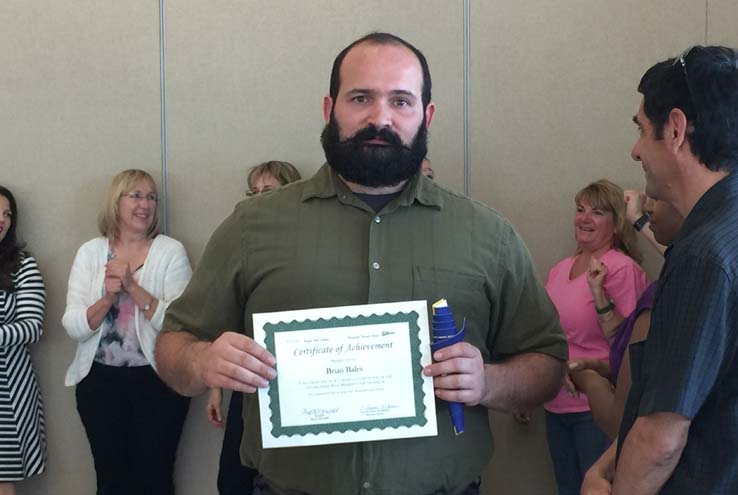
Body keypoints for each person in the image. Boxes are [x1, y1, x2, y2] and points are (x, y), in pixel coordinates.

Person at [156, 32, 568, 495]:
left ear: (426, 115)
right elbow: (173, 346)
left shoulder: (487, 234)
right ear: (330, 108)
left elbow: (548, 362)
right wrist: (202, 360)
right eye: (361, 98)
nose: (380, 118)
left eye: (400, 101)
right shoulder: (253, 225)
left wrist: (488, 382)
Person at [582, 45, 738, 495]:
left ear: (675, 129)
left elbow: (660, 439)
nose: (634, 151)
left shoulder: (704, 256)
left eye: (641, 129)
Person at [62, 169, 192, 495]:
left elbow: (180, 322)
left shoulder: (170, 252)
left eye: (151, 197)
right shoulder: (90, 253)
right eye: (135, 195)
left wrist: (132, 287)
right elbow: (74, 326)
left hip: (159, 382)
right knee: (110, 479)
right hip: (99, 384)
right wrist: (108, 297)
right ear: (115, 202)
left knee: (155, 478)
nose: (144, 204)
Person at [542, 179, 647, 495]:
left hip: (597, 410)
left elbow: (630, 350)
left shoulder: (623, 270)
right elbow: (548, 335)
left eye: (597, 212)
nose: (584, 218)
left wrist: (599, 293)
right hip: (555, 404)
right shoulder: (560, 270)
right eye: (579, 209)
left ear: (616, 224)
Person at [206, 161, 301, 495]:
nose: (260, 198)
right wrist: (215, 387)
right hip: (246, 380)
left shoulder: (305, 246)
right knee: (233, 478)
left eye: (269, 191)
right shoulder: (240, 245)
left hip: (294, 382)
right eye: (255, 192)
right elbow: (224, 317)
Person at [569, 196, 683, 439]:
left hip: (605, 415)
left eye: (655, 197)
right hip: (561, 401)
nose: (647, 206)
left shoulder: (637, 280)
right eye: (580, 210)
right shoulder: (562, 269)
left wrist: (588, 379)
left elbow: (620, 417)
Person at [0, 186, 47, 495]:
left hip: (7, 389)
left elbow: (32, 327)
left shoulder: (22, 265)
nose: (2, 220)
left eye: (6, 214)